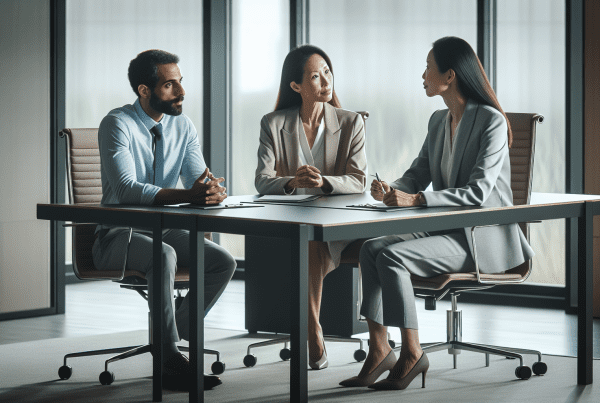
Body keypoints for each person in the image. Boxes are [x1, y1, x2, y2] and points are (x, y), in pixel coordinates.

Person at [339, 36, 534, 390]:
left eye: (429, 67)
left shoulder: (490, 121)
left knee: (393, 258)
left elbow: (477, 193)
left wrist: (414, 202)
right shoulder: (438, 120)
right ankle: (380, 349)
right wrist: (391, 190)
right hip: (444, 229)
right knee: (371, 248)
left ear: (450, 76)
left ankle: (413, 353)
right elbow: (419, 174)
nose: (423, 74)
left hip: (478, 239)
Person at [92, 49, 236, 390]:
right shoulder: (117, 124)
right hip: (117, 236)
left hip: (165, 229)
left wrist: (212, 190)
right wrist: (191, 195)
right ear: (145, 90)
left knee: (220, 262)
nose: (181, 92)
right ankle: (170, 358)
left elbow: (197, 180)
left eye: (180, 83)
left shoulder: (183, 126)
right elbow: (127, 189)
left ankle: (168, 335)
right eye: (170, 85)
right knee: (163, 255)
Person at [255, 44, 368, 369]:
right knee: (308, 240)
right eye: (315, 76)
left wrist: (324, 183)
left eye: (328, 73)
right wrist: (292, 181)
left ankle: (311, 330)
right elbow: (262, 181)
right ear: (296, 86)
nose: (325, 81)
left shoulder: (351, 122)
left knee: (313, 244)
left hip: (340, 222)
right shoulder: (273, 123)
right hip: (292, 220)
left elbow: (359, 180)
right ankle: (311, 328)